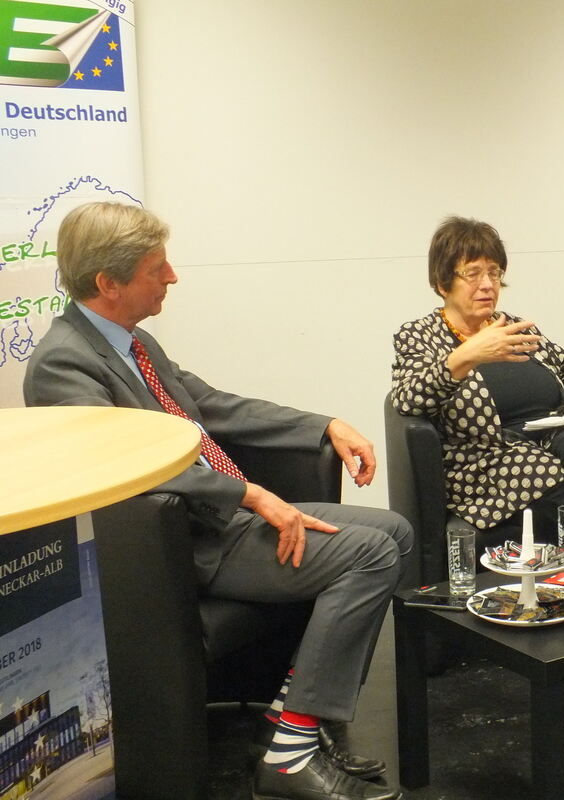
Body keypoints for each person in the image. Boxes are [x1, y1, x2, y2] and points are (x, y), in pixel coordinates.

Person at [23, 202, 411, 800]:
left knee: (396, 532)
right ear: (109, 283)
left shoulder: (133, 342)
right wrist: (249, 494)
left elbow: (213, 406)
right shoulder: (61, 364)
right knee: (372, 555)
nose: (172, 277)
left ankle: (293, 721)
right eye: (156, 268)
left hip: (222, 518)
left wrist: (324, 424)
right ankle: (290, 754)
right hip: (180, 543)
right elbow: (120, 471)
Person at [391, 215, 564, 700]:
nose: (487, 285)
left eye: (495, 272)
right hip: (488, 462)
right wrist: (468, 355)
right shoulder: (419, 335)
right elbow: (408, 399)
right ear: (442, 282)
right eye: (473, 273)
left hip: (551, 442)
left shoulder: (514, 326)